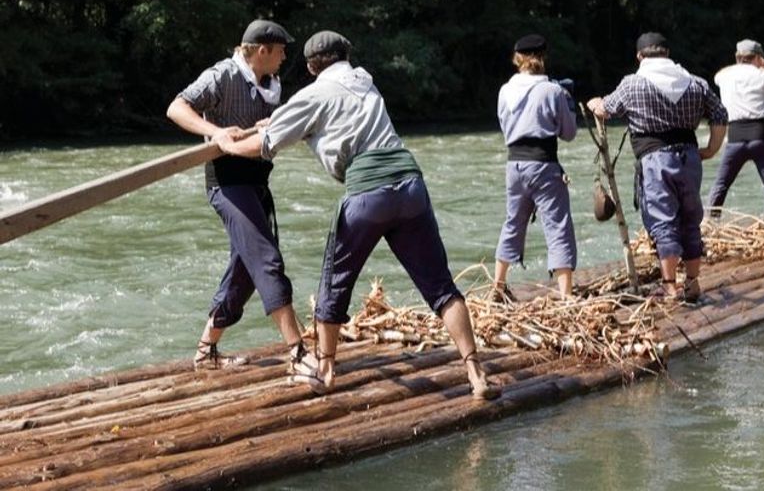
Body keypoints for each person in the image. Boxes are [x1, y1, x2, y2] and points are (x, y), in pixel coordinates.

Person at [217, 30, 501, 400]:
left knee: (334, 283)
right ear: (345, 57)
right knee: (441, 287)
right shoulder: (365, 80)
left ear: (310, 66)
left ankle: (326, 371)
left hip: (369, 191)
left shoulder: (313, 95)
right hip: (410, 184)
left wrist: (227, 145)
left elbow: (266, 145)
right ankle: (476, 374)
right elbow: (311, 121)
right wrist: (282, 123)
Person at [166, 19, 307, 373]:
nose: (284, 55)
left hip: (257, 181)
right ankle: (300, 352)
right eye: (280, 50)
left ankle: (205, 351)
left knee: (244, 271)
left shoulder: (272, 83)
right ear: (262, 50)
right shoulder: (222, 76)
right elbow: (177, 107)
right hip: (227, 184)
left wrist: (271, 125)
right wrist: (217, 133)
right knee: (265, 258)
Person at [586, 32, 728, 304]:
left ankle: (669, 286)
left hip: (654, 160)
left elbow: (607, 109)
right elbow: (720, 114)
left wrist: (594, 103)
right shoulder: (696, 83)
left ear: (640, 56)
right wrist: (711, 149)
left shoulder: (633, 84)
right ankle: (693, 282)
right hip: (689, 157)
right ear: (667, 52)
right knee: (690, 219)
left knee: (664, 222)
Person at [492, 34, 578, 302]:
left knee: (513, 223)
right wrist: (569, 104)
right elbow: (569, 133)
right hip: (543, 163)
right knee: (558, 224)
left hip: (514, 165)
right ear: (542, 57)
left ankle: (498, 286)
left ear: (518, 59)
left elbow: (505, 126)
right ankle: (565, 295)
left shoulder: (505, 90)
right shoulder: (553, 91)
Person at [707, 39, 764, 221]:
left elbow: (717, 76)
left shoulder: (725, 76)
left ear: (737, 58)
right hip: (760, 136)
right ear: (759, 58)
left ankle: (709, 225)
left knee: (721, 185)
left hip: (735, 137)